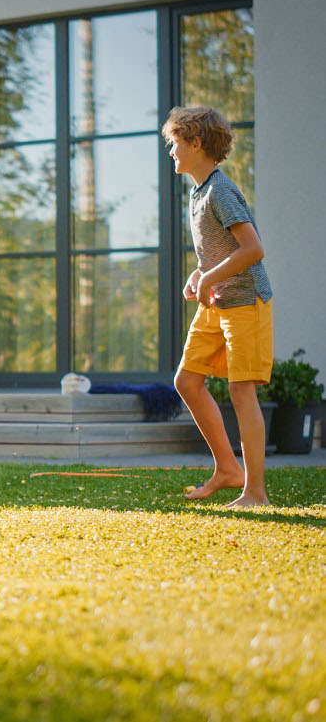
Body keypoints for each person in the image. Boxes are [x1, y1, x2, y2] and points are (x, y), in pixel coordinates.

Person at [164, 106, 274, 508]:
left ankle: (255, 493)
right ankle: (228, 469)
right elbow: (219, 251)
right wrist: (200, 274)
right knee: (187, 380)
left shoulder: (221, 192)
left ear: (196, 143)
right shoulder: (198, 193)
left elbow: (253, 249)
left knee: (241, 391)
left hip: (246, 301)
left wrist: (208, 277)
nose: (171, 152)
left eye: (175, 144)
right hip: (218, 301)